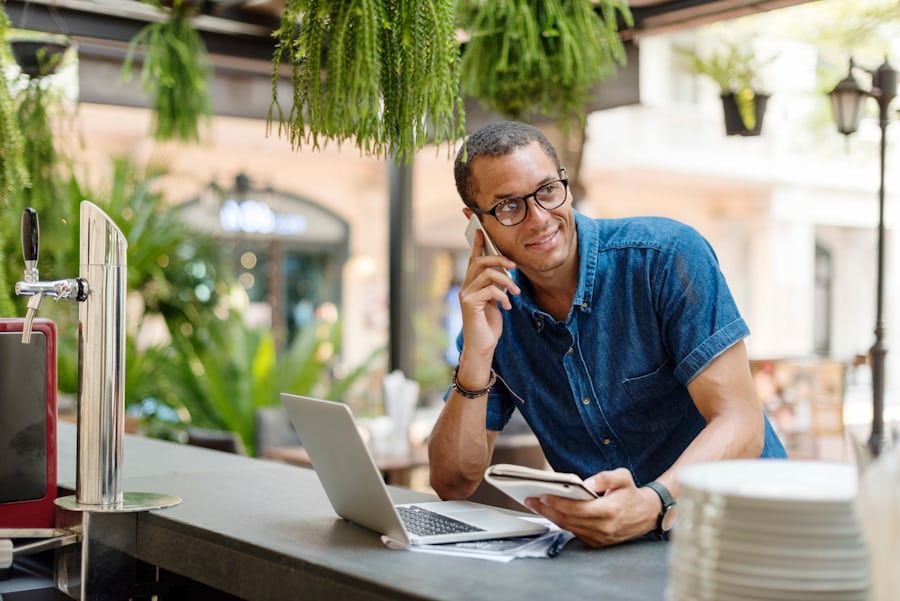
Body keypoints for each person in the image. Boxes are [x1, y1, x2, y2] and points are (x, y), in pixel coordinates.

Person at [428, 121, 787, 548]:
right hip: (622, 560)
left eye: (547, 191)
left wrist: (656, 501)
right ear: (476, 224)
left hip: (750, 533)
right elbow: (453, 481)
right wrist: (477, 355)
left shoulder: (665, 258)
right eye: (508, 206)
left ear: (566, 184)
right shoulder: (496, 311)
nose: (539, 219)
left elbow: (741, 423)